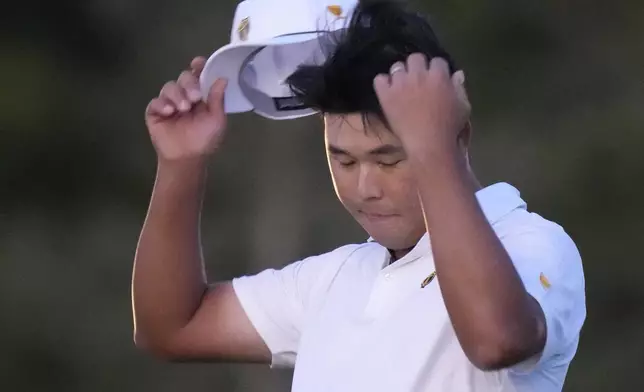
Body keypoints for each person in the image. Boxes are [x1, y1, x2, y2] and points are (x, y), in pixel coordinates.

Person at [132, 1, 586, 391]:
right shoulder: (336, 278)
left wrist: (432, 149)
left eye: (390, 159)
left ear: (457, 138)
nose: (365, 188)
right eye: (344, 161)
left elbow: (497, 341)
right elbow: (171, 328)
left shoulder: (532, 243)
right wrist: (180, 165)